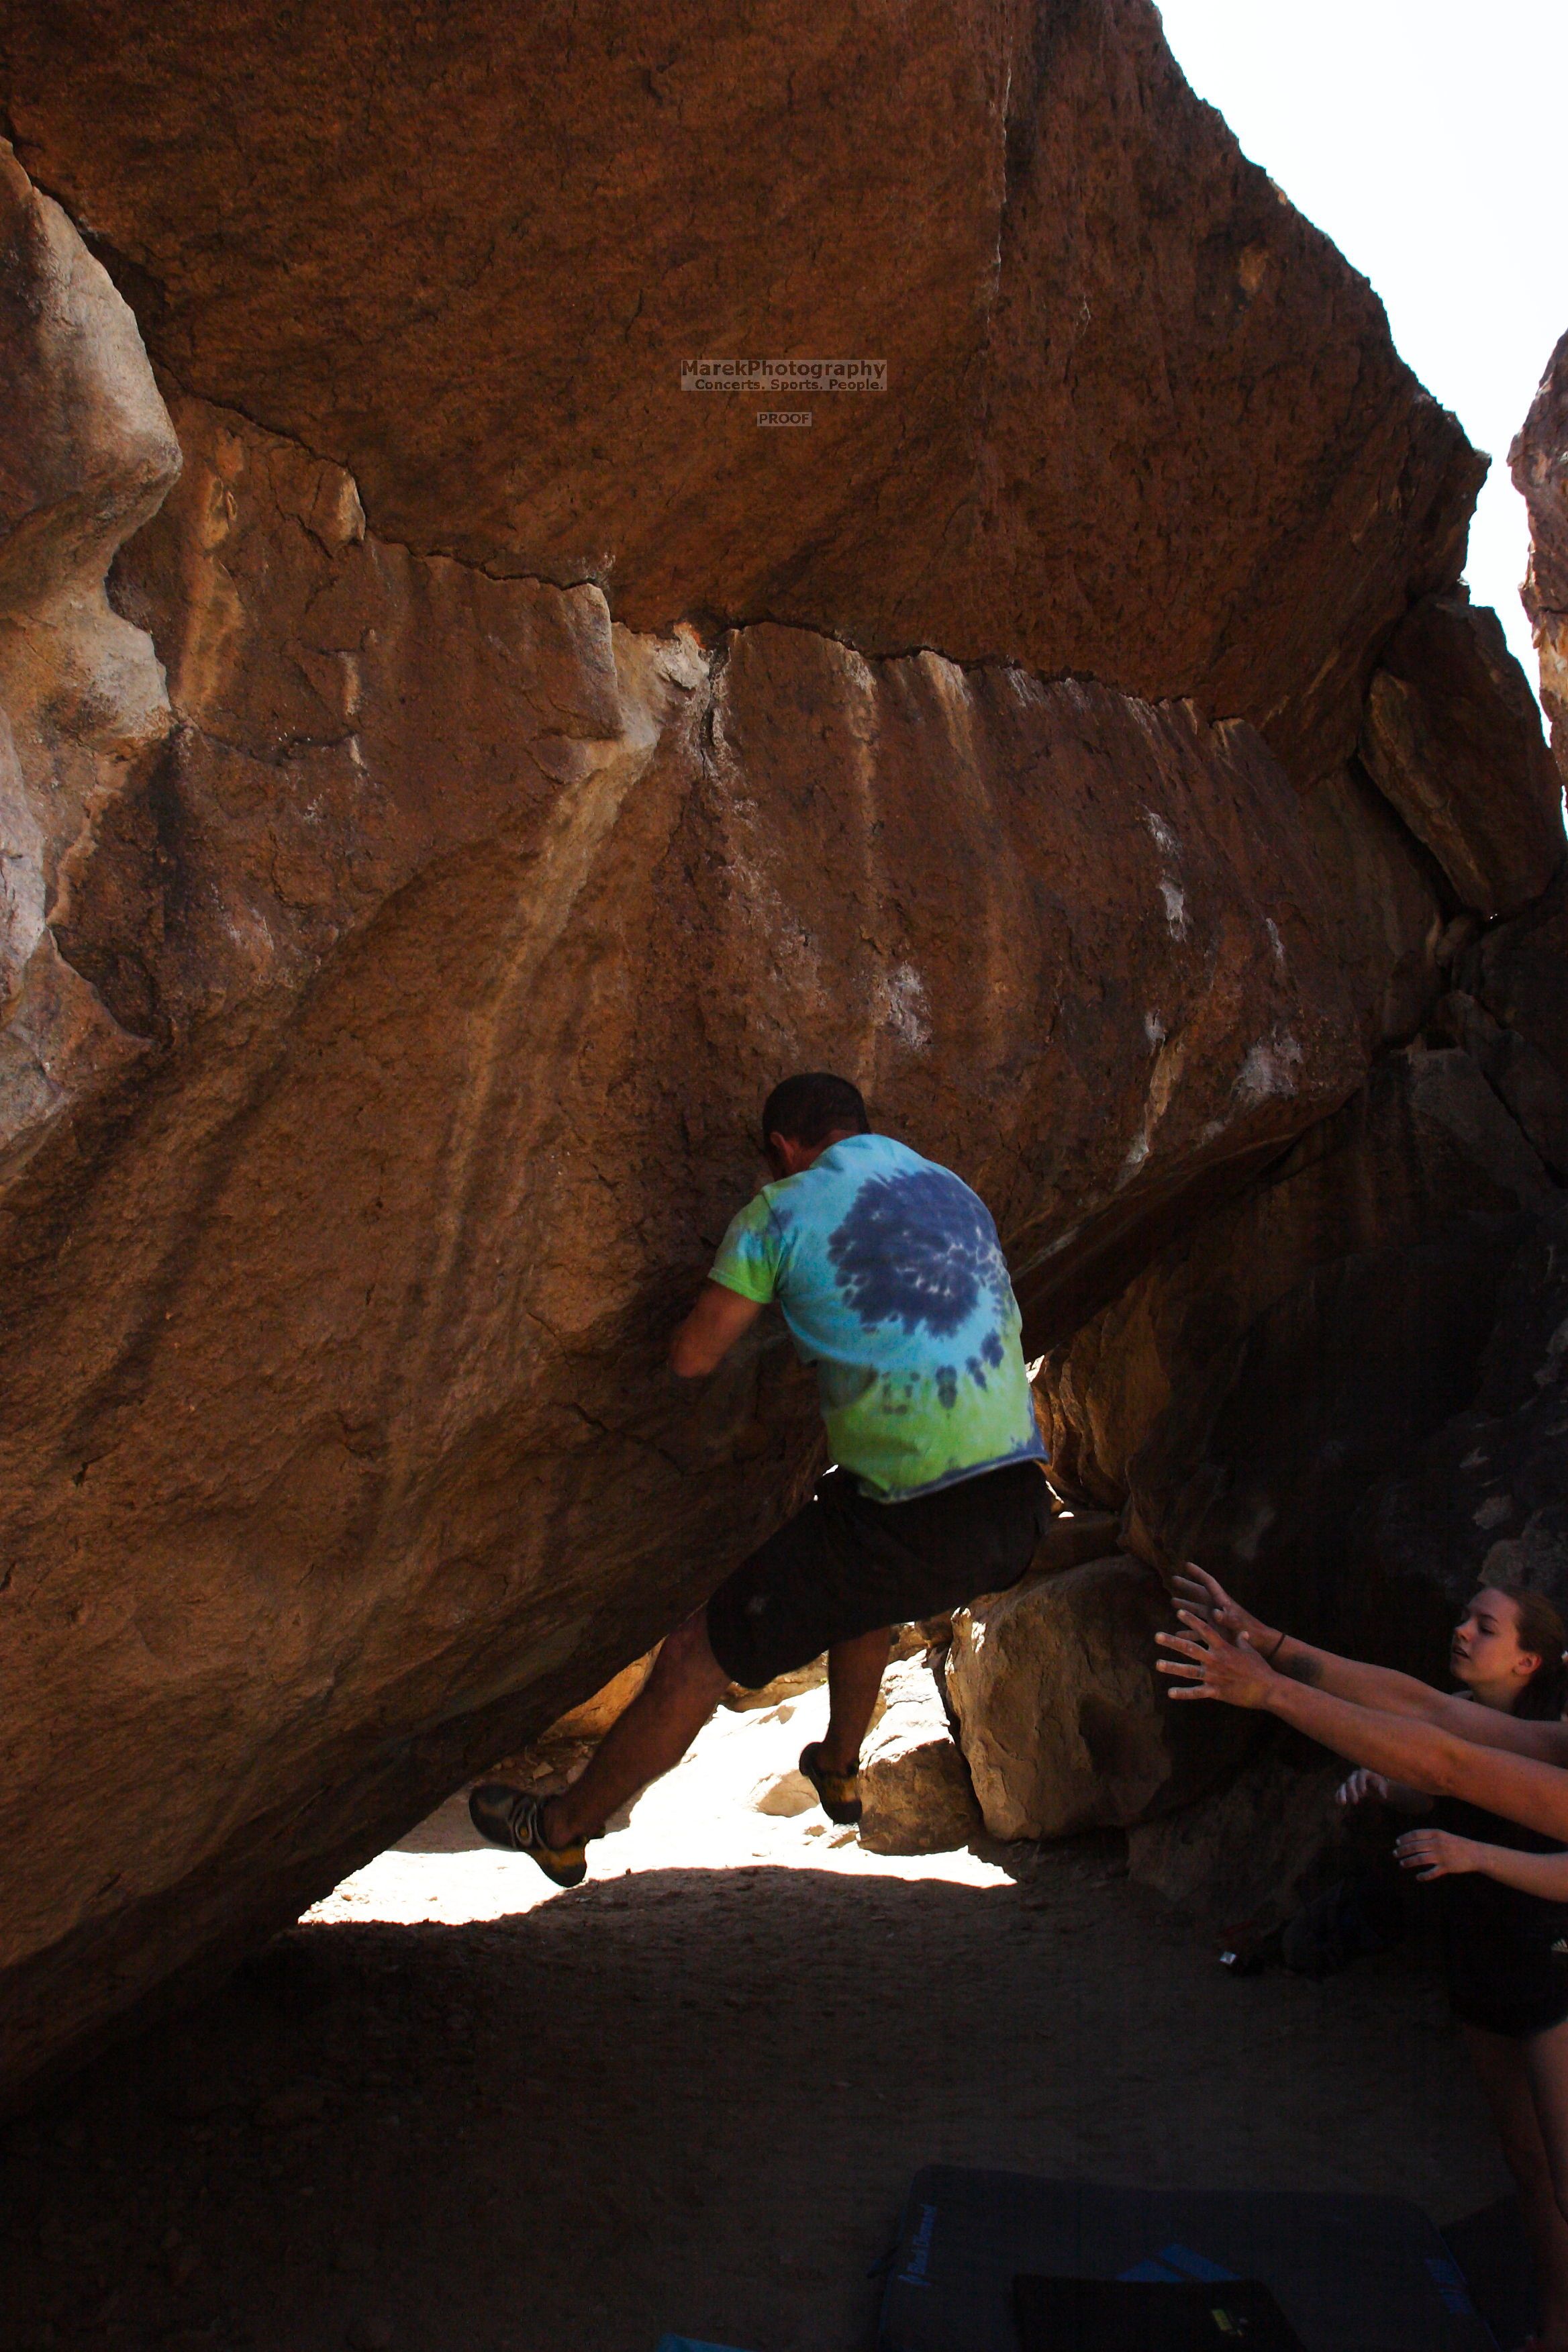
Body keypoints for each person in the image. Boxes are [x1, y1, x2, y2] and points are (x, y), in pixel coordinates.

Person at [470, 1071, 1050, 1885]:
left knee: (694, 1653)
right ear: (859, 1127)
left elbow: (693, 1356)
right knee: (853, 1542)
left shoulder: (778, 1211)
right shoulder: (951, 1190)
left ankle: (560, 1826)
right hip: (1020, 1504)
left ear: (782, 1149)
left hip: (917, 1521)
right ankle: (839, 1764)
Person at [1159, 1567, 1568, 2352]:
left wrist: (1272, 1691)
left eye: (1488, 1627)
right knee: (1537, 2169)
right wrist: (1268, 1645)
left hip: (1548, 1962)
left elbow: (1450, 1767)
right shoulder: (1549, 1731)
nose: (1463, 1633)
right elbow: (1425, 1717)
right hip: (1493, 1960)